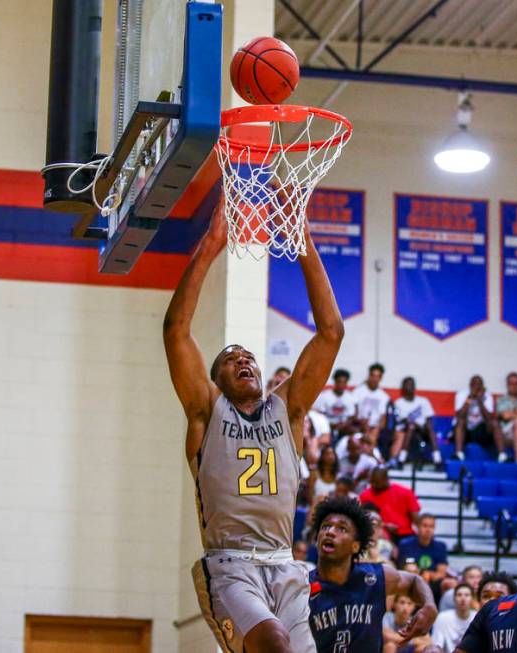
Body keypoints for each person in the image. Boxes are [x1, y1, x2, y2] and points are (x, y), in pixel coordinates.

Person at [165, 203, 343, 653]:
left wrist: (302, 243)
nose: (243, 360)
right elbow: (176, 331)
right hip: (230, 566)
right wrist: (209, 248)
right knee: (273, 642)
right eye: (230, 359)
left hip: (284, 563)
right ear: (216, 378)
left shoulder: (288, 409)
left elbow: (331, 333)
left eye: (249, 357)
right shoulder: (207, 411)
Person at [308, 496, 438, 653]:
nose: (330, 532)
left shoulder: (375, 577)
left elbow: (413, 581)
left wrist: (429, 605)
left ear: (356, 546)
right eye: (325, 526)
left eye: (342, 529)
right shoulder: (302, 587)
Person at [390, 376, 441, 467]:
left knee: (429, 426)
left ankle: (437, 458)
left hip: (422, 430)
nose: (410, 387)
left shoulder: (423, 401)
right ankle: (402, 459)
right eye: (408, 385)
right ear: (403, 388)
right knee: (411, 426)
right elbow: (404, 421)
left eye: (412, 384)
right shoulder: (399, 403)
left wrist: (422, 426)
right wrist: (415, 424)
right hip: (406, 430)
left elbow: (429, 419)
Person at [359, 467, 421, 540]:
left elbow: (416, 518)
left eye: (377, 482)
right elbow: (364, 519)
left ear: (386, 479)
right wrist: (384, 525)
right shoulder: (365, 496)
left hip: (405, 534)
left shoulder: (406, 492)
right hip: (379, 535)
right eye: (372, 482)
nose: (374, 484)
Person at [397, 514, 449, 592]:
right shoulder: (406, 544)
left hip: (433, 581)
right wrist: (422, 574)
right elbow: (407, 567)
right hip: (411, 578)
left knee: (449, 583)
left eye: (431, 527)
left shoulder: (440, 546)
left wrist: (428, 575)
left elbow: (441, 573)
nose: (428, 529)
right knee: (411, 570)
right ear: (417, 527)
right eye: (425, 526)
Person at [452, 374, 498, 460]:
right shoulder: (462, 394)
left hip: (480, 431)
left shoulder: (487, 396)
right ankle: (459, 454)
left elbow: (489, 418)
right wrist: (470, 398)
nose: (476, 387)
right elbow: (460, 415)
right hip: (465, 430)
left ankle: (502, 455)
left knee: (495, 423)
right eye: (474, 384)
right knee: (460, 422)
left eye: (479, 385)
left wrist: (480, 401)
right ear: (470, 385)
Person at [431, 583, 477, 653]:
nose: (463, 598)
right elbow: (437, 645)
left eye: (467, 595)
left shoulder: (477, 617)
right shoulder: (442, 617)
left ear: (472, 599)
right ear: (454, 598)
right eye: (459, 595)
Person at [315, 368, 359, 438]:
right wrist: (330, 425)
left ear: (347, 383)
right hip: (327, 426)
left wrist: (344, 425)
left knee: (356, 432)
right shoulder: (325, 396)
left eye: (344, 382)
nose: (341, 385)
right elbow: (319, 414)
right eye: (339, 382)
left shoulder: (350, 397)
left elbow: (352, 416)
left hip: (344, 427)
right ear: (335, 382)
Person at [351, 363, 390, 442]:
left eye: (377, 376)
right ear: (369, 376)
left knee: (373, 434)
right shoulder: (357, 391)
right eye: (372, 375)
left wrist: (377, 428)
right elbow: (353, 414)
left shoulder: (384, 396)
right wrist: (361, 422)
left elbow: (383, 419)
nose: (374, 379)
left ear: (381, 378)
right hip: (359, 425)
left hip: (374, 428)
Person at [308, 445, 340, 510]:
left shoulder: (337, 477)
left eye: (332, 454)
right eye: (327, 454)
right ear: (322, 457)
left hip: (330, 509)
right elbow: (309, 495)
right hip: (314, 508)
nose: (330, 456)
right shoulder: (314, 474)